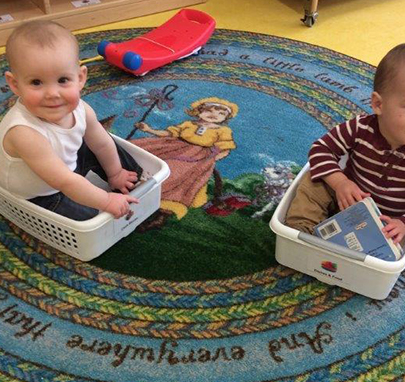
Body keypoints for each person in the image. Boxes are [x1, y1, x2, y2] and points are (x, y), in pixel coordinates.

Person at [285, 43, 405, 244]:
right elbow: (321, 149)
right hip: (347, 199)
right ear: (378, 104)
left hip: (387, 223)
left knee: (393, 241)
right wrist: (341, 183)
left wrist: (404, 225)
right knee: (313, 178)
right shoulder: (360, 127)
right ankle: (301, 233)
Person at [0, 20, 142, 221]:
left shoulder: (81, 109)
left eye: (63, 80)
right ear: (15, 84)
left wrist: (116, 173)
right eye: (36, 82)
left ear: (80, 77)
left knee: (107, 145)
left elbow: (101, 143)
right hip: (41, 193)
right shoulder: (24, 133)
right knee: (92, 217)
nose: (52, 94)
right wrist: (106, 200)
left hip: (66, 169)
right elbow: (64, 182)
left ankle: (131, 181)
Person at [132, 96, 238, 229]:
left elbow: (225, 148)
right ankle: (135, 184)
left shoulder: (223, 131)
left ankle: (160, 216)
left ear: (225, 118)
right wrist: (149, 130)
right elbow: (169, 133)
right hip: (174, 147)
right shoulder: (188, 124)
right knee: (146, 156)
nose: (214, 115)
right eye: (209, 111)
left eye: (221, 114)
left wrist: (211, 159)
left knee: (177, 178)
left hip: (198, 157)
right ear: (198, 112)